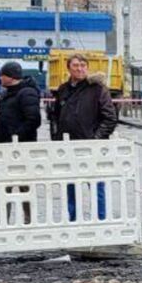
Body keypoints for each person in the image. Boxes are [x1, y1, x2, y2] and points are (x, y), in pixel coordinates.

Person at [49, 54, 119, 222]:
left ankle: (100, 219)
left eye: (83, 65)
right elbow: (56, 117)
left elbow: (110, 118)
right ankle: (73, 219)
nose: (79, 69)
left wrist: (96, 138)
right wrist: (56, 138)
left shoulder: (97, 89)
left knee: (96, 184)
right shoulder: (63, 89)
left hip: (91, 147)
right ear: (68, 68)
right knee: (70, 184)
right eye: (75, 66)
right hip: (67, 146)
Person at [0, 62, 41, 143]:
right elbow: (1, 114)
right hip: (3, 143)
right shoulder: (5, 93)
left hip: (20, 145)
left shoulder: (27, 93)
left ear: (11, 77)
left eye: (2, 75)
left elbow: (34, 121)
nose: (0, 78)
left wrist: (15, 135)